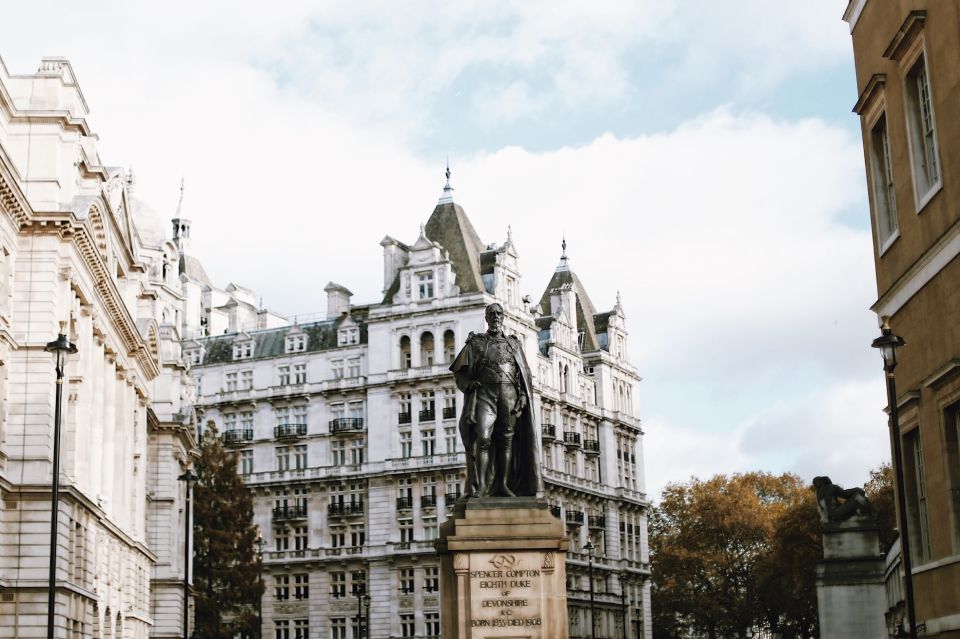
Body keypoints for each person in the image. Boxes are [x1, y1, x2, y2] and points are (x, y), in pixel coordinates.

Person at [450, 303, 543, 498]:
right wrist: (468, 384)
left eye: (499, 313)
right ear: (486, 318)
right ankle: (482, 486)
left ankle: (503, 484)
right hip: (485, 395)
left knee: (506, 440)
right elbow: (459, 372)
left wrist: (524, 396)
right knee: (483, 438)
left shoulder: (513, 344)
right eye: (491, 314)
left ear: (503, 317)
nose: (495, 317)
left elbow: (524, 374)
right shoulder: (475, 343)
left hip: (509, 396)